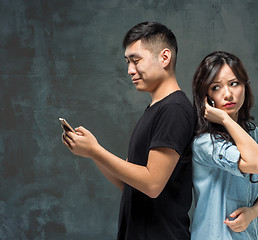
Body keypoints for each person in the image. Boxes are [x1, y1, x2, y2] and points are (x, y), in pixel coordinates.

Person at [62, 22, 195, 240]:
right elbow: (129, 184)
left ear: (164, 57)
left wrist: (95, 151)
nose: (130, 70)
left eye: (136, 60)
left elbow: (152, 184)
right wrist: (92, 152)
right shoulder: (156, 109)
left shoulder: (174, 110)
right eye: (128, 62)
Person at [191, 51, 258, 240]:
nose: (228, 94)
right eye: (216, 87)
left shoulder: (254, 134)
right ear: (206, 95)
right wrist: (224, 119)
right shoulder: (205, 142)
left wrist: (252, 213)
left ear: (245, 86)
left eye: (234, 83)